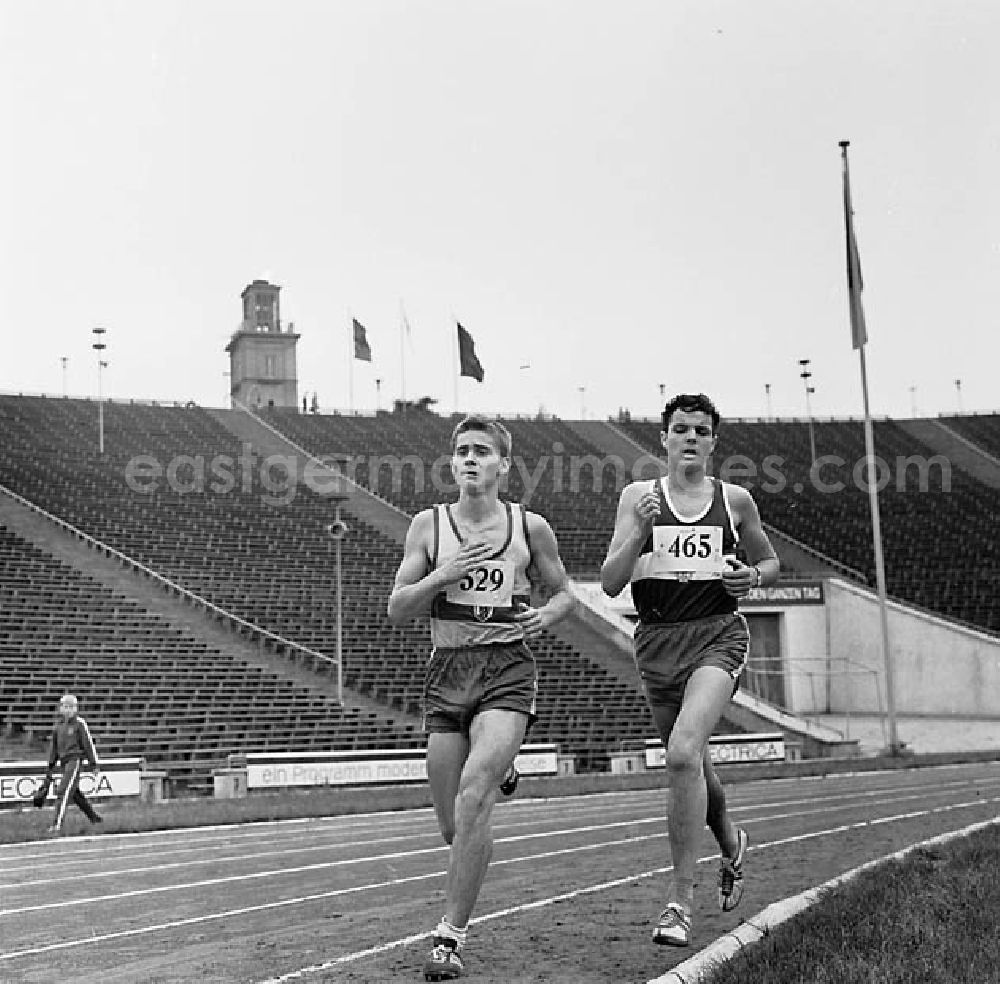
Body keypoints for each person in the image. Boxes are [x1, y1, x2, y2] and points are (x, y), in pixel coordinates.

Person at [388, 415, 576, 981]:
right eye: (462, 451)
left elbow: (566, 591)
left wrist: (546, 613)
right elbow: (398, 606)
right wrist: (442, 576)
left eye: (482, 451)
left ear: (502, 464)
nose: (471, 459)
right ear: (453, 463)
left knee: (475, 798)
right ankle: (503, 768)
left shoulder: (528, 527)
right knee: (453, 828)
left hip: (506, 669)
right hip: (446, 671)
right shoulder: (429, 526)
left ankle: (449, 937)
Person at [600, 393, 779, 947]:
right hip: (656, 642)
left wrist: (750, 577)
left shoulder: (735, 500)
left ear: (714, 441)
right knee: (694, 764)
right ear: (665, 439)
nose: (691, 438)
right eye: (681, 429)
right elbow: (610, 582)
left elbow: (768, 561)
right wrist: (639, 532)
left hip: (716, 636)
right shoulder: (639, 497)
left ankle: (679, 902)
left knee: (680, 754)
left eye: (702, 430)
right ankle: (731, 843)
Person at [45, 694, 103, 835]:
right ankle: (95, 819)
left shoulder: (80, 724)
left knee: (63, 790)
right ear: (61, 708)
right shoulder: (58, 726)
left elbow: (88, 744)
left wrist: (93, 764)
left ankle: (57, 825)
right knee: (75, 793)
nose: (69, 710)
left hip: (75, 760)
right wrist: (50, 765)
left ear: (76, 709)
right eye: (66, 706)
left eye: (72, 707)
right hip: (64, 762)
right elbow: (54, 748)